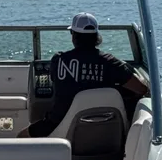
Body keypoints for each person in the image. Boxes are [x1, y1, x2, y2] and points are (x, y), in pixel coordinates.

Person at [18, 12, 150, 138]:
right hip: (106, 132)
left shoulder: (59, 60)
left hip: (57, 126)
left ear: (73, 35)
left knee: (21, 136)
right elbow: (142, 89)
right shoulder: (111, 64)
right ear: (97, 36)